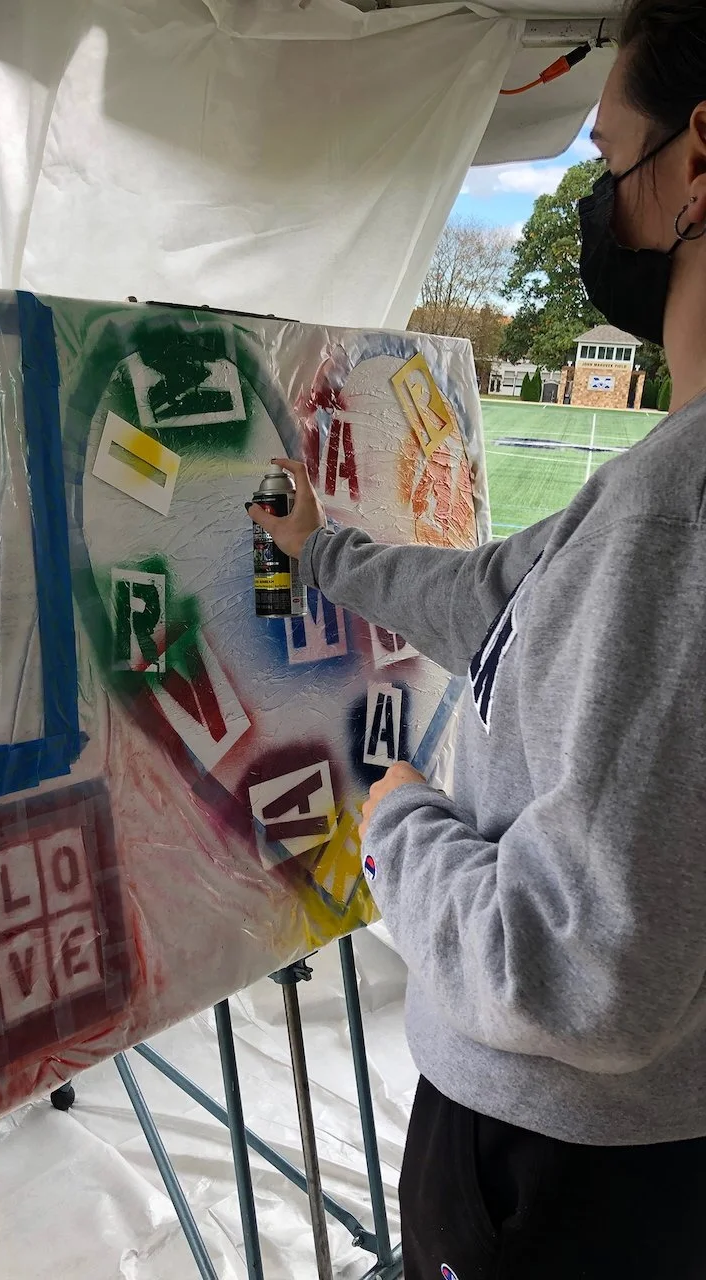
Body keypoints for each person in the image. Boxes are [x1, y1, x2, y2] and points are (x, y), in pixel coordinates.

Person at [249, 2, 706, 1274]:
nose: (591, 202)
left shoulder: (682, 518)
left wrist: (399, 814)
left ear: (698, 165)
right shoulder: (651, 495)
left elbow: (579, 968)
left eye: (608, 159)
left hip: (565, 1174)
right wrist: (322, 551)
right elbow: (501, 592)